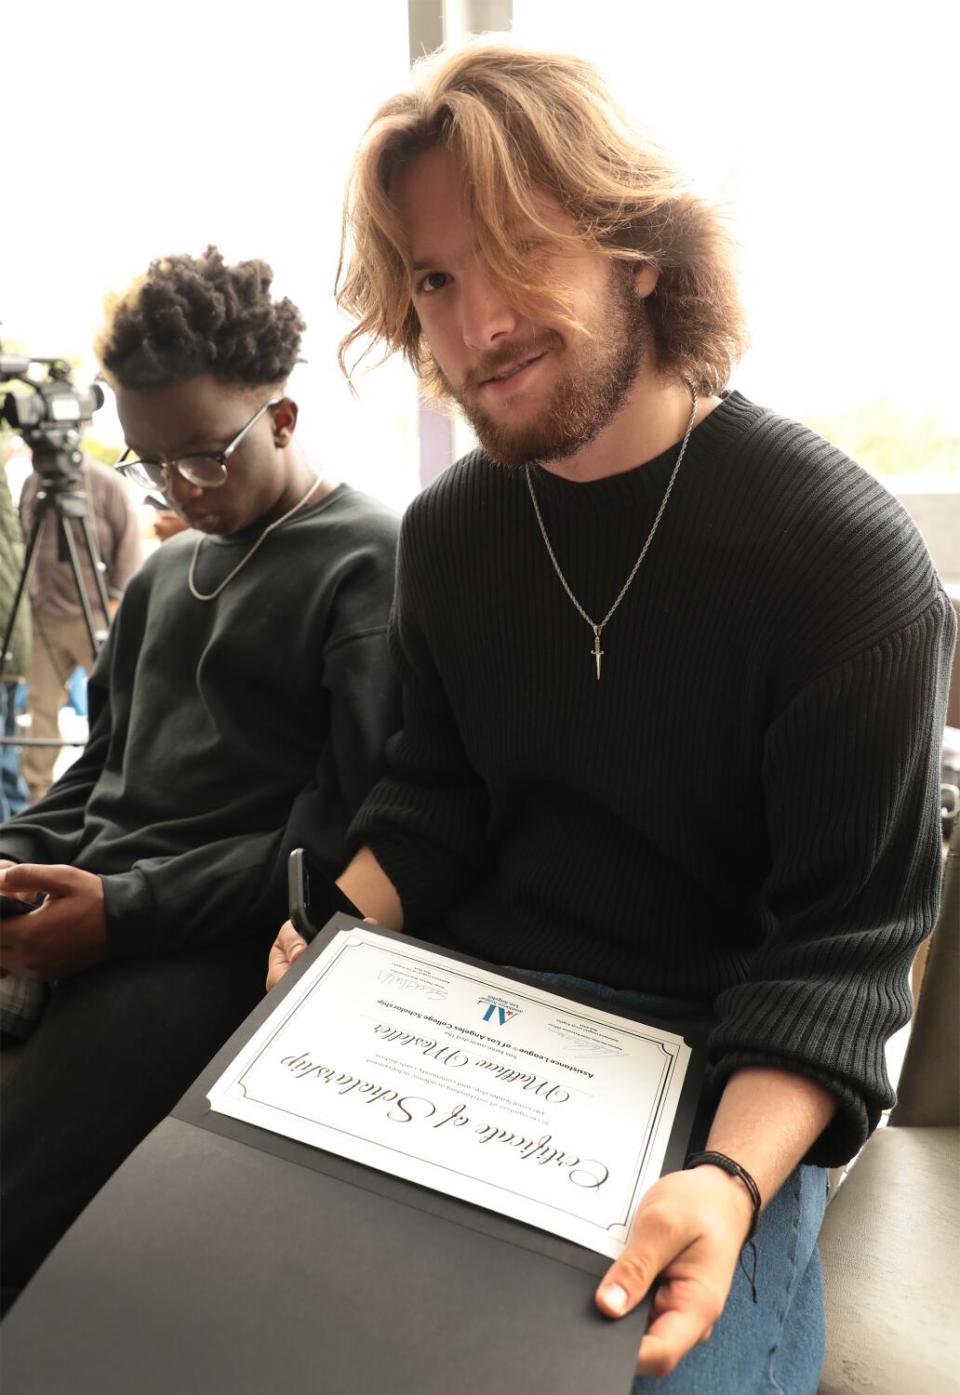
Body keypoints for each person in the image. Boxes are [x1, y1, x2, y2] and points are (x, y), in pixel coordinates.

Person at [266, 44, 956, 1394]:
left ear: (639, 249)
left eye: (518, 246)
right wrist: (334, 930)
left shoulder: (845, 560)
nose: (474, 328)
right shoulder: (454, 533)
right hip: (471, 1024)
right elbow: (435, 798)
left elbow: (842, 950)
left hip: (728, 1059)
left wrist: (726, 1177)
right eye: (435, 278)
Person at [0, 247, 400, 1310]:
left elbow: (333, 847)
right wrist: (18, 854)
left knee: (20, 1204)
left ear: (282, 416)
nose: (179, 489)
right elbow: (101, 773)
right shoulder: (168, 570)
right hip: (95, 906)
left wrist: (119, 917)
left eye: (205, 456)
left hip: (209, 947)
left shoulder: (368, 564)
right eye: (149, 464)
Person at [19, 452, 143, 803]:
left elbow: (129, 546)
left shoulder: (105, 484)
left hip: (96, 613)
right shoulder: (33, 483)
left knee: (115, 706)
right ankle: (37, 797)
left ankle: (116, 794)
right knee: (39, 710)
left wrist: (116, 604)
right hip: (43, 617)